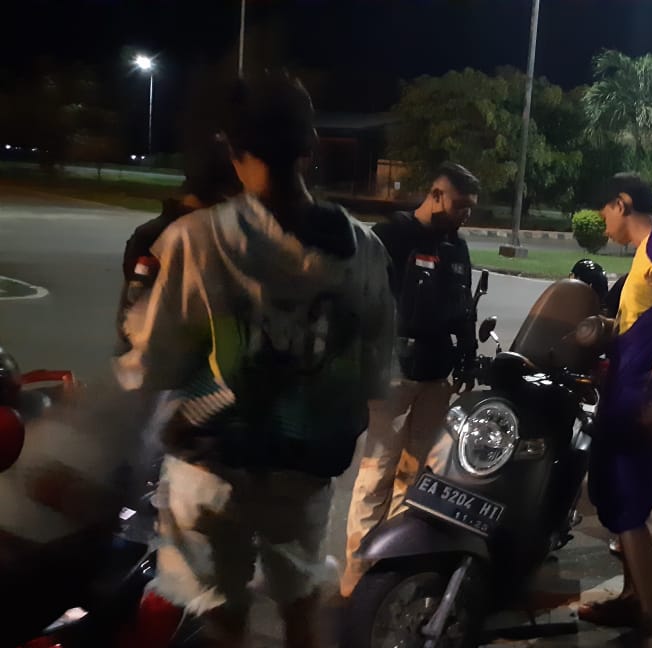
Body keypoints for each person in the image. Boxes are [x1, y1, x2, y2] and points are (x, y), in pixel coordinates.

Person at [117, 71, 395, 648]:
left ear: (233, 149)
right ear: (310, 145)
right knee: (301, 606)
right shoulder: (365, 250)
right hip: (305, 472)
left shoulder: (197, 240)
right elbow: (375, 372)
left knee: (221, 618)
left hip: (211, 471)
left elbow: (148, 365)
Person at [342, 162, 480, 597]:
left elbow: (465, 309)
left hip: (437, 377)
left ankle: (389, 569)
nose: (465, 215)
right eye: (459, 206)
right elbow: (359, 303)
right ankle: (355, 575)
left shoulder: (456, 247)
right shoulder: (392, 236)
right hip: (395, 374)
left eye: (470, 208)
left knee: (414, 474)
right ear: (435, 195)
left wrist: (469, 356)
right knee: (377, 472)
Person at [579, 174, 652, 648]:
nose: (603, 219)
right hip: (624, 392)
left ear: (621, 204)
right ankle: (630, 597)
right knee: (616, 500)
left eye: (605, 210)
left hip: (642, 399)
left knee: (630, 508)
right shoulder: (644, 254)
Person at [114, 137, 240, 354]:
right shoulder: (211, 239)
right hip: (181, 363)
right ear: (226, 193)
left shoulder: (149, 234)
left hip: (143, 358)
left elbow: (128, 316)